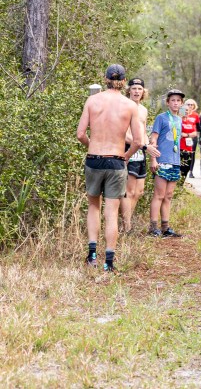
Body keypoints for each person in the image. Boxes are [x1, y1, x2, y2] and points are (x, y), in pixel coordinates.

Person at [77, 64, 144, 272]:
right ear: (124, 82)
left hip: (94, 159)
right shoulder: (130, 105)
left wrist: (93, 147)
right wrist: (125, 157)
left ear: (105, 79)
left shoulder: (92, 100)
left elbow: (80, 134)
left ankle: (92, 254)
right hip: (116, 160)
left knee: (93, 206)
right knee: (112, 212)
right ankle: (109, 261)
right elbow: (139, 141)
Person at [120, 78, 161, 234]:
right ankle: (127, 227)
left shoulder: (143, 110)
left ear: (144, 92)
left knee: (139, 191)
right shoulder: (124, 107)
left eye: (139, 89)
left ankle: (127, 222)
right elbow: (121, 133)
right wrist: (140, 144)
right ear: (129, 90)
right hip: (128, 149)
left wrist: (150, 152)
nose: (137, 91)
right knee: (128, 191)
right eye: (134, 88)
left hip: (141, 151)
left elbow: (143, 132)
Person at [149, 89, 186, 238]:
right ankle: (153, 227)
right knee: (159, 194)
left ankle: (165, 227)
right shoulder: (161, 118)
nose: (176, 103)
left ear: (181, 103)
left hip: (175, 161)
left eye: (178, 100)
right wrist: (153, 159)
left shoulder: (179, 119)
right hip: (162, 160)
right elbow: (154, 139)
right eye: (173, 100)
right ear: (168, 102)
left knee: (169, 195)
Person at [180, 98, 200, 179]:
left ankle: (190, 172)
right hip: (181, 144)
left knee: (190, 158)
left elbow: (196, 131)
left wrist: (187, 135)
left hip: (190, 142)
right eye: (188, 104)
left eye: (191, 105)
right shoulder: (179, 118)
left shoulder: (195, 116)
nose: (190, 106)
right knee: (181, 162)